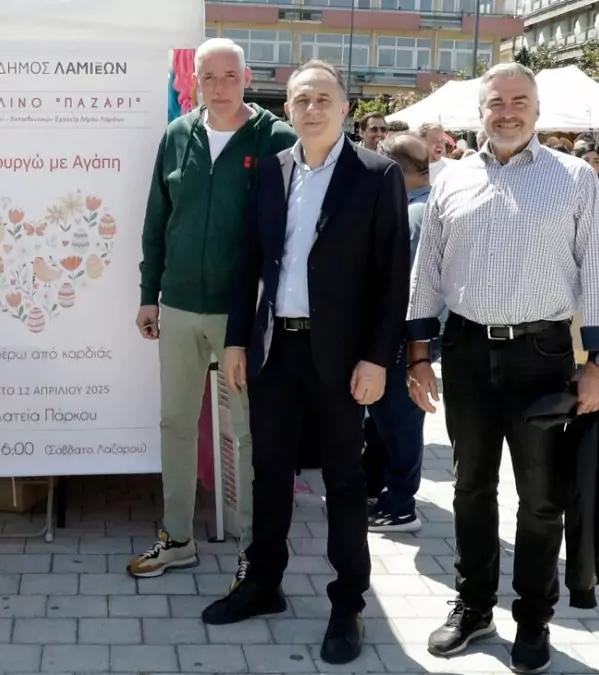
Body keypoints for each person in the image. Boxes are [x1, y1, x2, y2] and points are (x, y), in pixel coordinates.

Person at [407, 63, 599, 673]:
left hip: (544, 357)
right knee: (470, 489)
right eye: (496, 102)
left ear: (536, 107)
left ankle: (533, 619)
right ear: (479, 111)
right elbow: (426, 272)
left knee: (540, 500)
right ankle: (474, 606)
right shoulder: (452, 179)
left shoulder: (574, 177)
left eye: (519, 101)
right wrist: (418, 354)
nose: (507, 112)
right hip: (467, 353)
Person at [213, 59, 410, 666]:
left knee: (344, 483)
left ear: (345, 108)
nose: (313, 108)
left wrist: (377, 359)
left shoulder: (376, 174)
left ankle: (348, 603)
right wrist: (237, 341)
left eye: (324, 98)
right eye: (302, 99)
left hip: (343, 358)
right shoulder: (273, 171)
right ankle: (264, 582)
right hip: (276, 350)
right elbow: (249, 261)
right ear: (288, 110)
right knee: (269, 471)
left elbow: (392, 277)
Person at [130, 37, 297, 580]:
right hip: (178, 305)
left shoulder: (277, 138)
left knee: (248, 432)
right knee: (175, 423)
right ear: (194, 82)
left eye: (230, 76)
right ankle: (176, 537)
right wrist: (149, 294)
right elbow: (157, 221)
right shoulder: (178, 134)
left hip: (240, 314)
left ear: (247, 78)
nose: (220, 87)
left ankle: (254, 549)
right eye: (209, 77)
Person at [364, 131, 435, 534]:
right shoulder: (424, 206)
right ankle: (381, 491)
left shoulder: (412, 215)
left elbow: (406, 286)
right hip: (409, 337)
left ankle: (401, 505)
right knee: (385, 419)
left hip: (403, 337)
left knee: (399, 423)